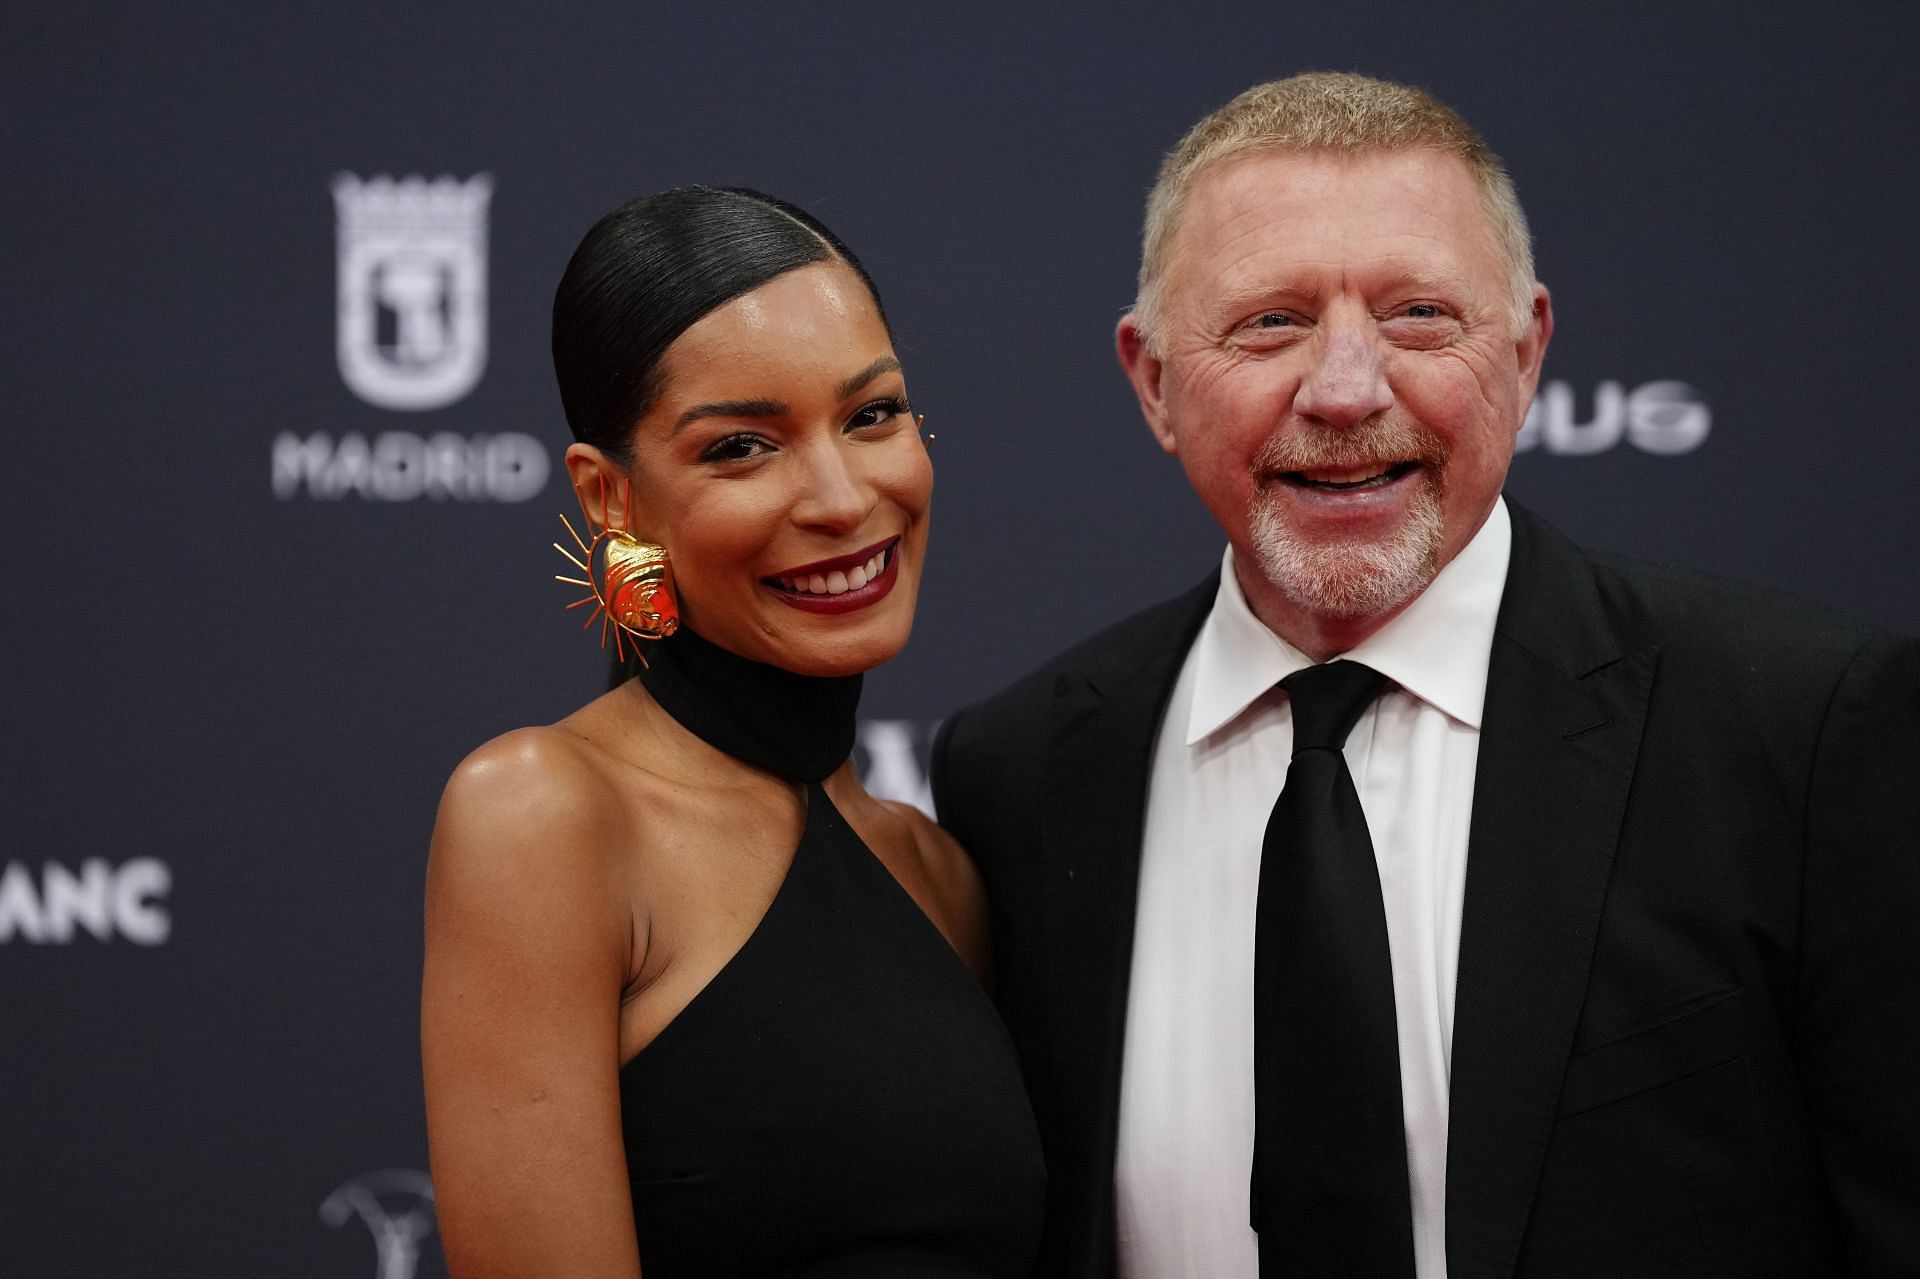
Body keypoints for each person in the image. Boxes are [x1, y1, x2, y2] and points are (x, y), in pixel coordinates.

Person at [931, 72, 1920, 1279]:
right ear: (1152, 383)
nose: (1347, 389)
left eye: (1417, 316)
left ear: (1526, 348)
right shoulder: (1020, 772)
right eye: (1271, 323)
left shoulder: (1799, 728)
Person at [421, 186, 1044, 1278]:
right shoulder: (544, 814)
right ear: (609, 498)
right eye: (744, 447)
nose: (844, 497)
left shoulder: (936, 869)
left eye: (873, 414)